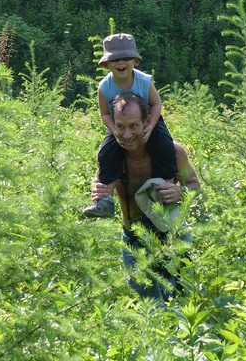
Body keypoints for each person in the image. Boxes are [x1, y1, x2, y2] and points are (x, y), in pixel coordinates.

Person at [91, 93, 200, 302]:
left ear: (147, 122)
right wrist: (98, 191)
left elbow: (194, 184)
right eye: (120, 127)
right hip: (134, 240)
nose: (127, 134)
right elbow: (99, 181)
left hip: (172, 236)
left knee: (182, 302)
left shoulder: (172, 151)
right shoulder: (111, 156)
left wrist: (181, 192)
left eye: (133, 126)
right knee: (148, 309)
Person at [83, 33, 177, 218]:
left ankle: (165, 192)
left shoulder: (144, 80)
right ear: (106, 64)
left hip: (149, 121)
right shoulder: (104, 86)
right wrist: (115, 131)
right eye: (115, 59)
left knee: (165, 147)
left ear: (135, 60)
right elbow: (104, 114)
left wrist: (150, 127)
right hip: (119, 125)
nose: (121, 63)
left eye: (126, 58)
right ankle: (105, 201)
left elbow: (156, 104)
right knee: (106, 153)